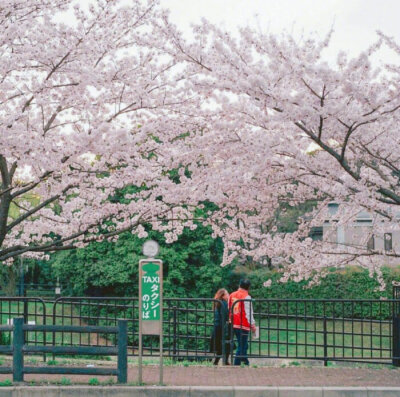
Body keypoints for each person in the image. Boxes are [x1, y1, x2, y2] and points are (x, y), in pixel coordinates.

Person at [228, 279, 256, 366]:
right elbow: (249, 312)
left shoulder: (232, 295)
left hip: (233, 322)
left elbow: (229, 308)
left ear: (239, 285)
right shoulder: (247, 297)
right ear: (248, 287)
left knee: (243, 344)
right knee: (242, 345)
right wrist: (252, 324)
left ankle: (245, 362)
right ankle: (236, 364)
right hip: (243, 324)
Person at [209, 288, 231, 365]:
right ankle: (225, 361)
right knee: (227, 344)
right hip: (222, 327)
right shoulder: (223, 304)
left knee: (220, 346)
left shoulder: (218, 303)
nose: (228, 295)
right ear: (223, 296)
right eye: (227, 294)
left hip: (217, 327)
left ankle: (217, 362)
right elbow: (224, 315)